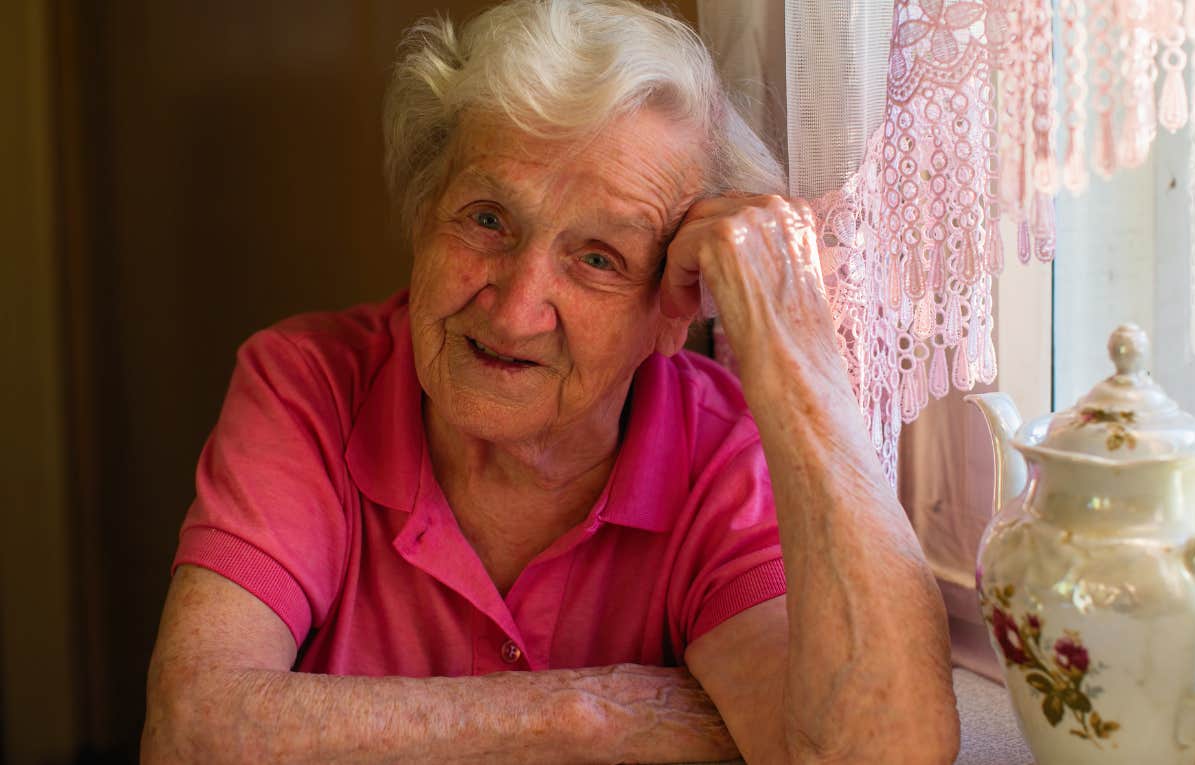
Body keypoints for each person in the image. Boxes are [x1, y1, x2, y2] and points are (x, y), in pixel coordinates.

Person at [141, 1, 959, 762]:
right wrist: (587, 713)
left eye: (598, 258)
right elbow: (192, 731)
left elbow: (879, 752)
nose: (515, 308)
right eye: (488, 219)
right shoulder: (308, 385)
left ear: (670, 313)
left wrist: (799, 352)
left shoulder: (720, 462)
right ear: (424, 215)